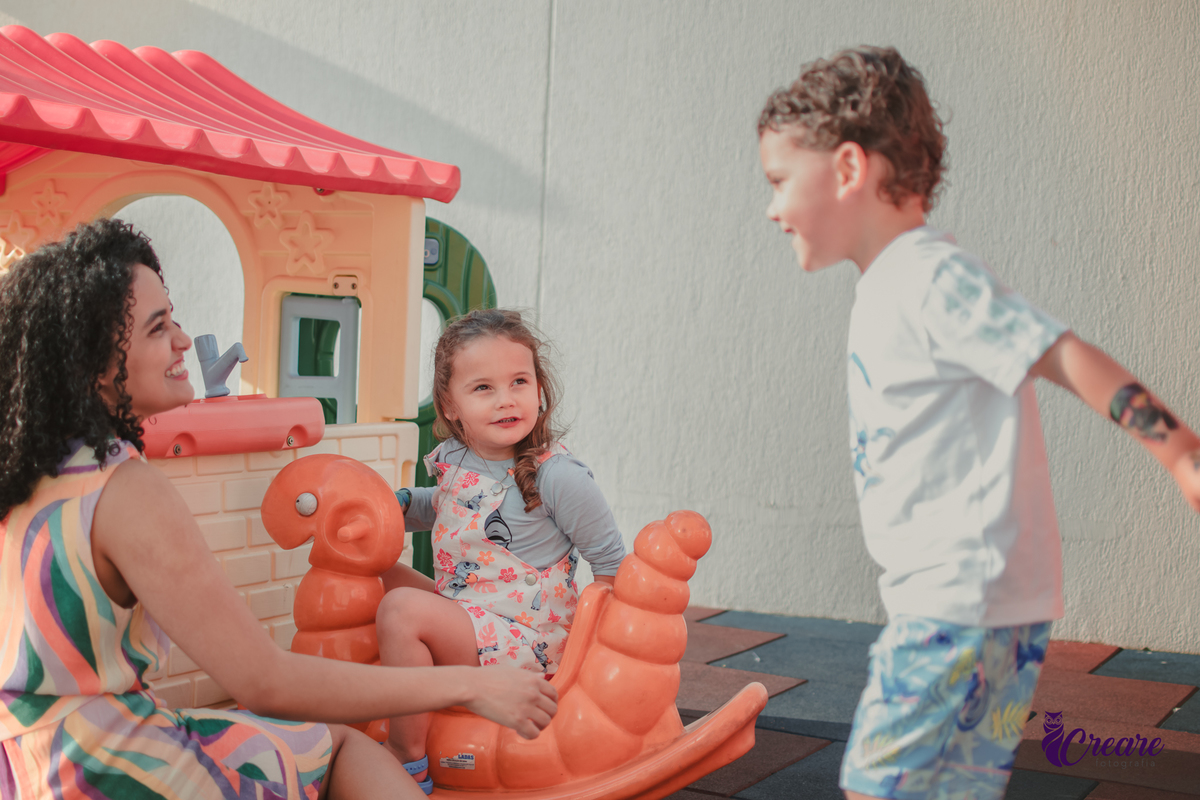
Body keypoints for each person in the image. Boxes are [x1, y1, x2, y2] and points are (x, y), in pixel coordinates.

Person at [757, 46, 1200, 800]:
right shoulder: (895, 283)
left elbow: (1059, 353)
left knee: (875, 785)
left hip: (955, 603)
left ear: (848, 168)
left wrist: (1179, 451)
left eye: (778, 181)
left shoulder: (928, 278)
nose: (772, 208)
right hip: (983, 605)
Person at [0, 219, 558, 800]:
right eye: (158, 327)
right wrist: (470, 685)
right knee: (338, 745)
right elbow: (267, 682)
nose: (183, 341)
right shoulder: (125, 489)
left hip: (22, 769)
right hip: (109, 770)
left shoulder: (25, 472)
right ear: (93, 361)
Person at [376, 308, 626, 793]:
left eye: (519, 382)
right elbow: (443, 506)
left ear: (539, 389)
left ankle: (406, 757)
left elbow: (612, 566)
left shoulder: (558, 477)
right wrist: (393, 506)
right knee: (372, 569)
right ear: (450, 405)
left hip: (526, 639)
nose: (506, 400)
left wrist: (597, 663)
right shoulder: (458, 459)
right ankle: (376, 686)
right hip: (472, 612)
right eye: (483, 388)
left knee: (400, 610)